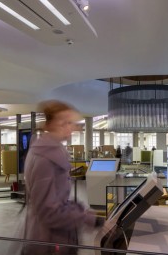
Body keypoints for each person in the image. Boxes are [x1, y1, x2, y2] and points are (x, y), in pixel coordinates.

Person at [22, 100, 102, 255]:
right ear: (50, 124)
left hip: (55, 239)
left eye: (71, 122)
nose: (70, 127)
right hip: (49, 243)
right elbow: (49, 212)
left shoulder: (50, 152)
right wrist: (89, 219)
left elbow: (57, 199)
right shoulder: (45, 157)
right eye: (64, 122)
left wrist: (80, 210)